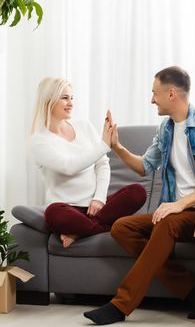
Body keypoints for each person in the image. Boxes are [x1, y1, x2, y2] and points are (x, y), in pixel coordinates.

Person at [83, 66, 195, 325]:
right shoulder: (166, 129)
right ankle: (193, 290)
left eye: (154, 93)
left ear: (172, 93)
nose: (151, 99)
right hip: (180, 212)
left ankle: (120, 305)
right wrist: (116, 146)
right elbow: (144, 166)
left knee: (166, 222)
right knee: (122, 227)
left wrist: (179, 204)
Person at [29, 77, 147, 248]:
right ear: (48, 100)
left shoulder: (83, 126)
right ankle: (95, 227)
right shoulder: (38, 141)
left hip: (97, 207)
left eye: (71, 98)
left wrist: (99, 198)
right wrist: (104, 145)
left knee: (138, 192)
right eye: (64, 98)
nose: (70, 103)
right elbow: (69, 166)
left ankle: (80, 231)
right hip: (67, 210)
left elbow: (102, 164)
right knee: (53, 213)